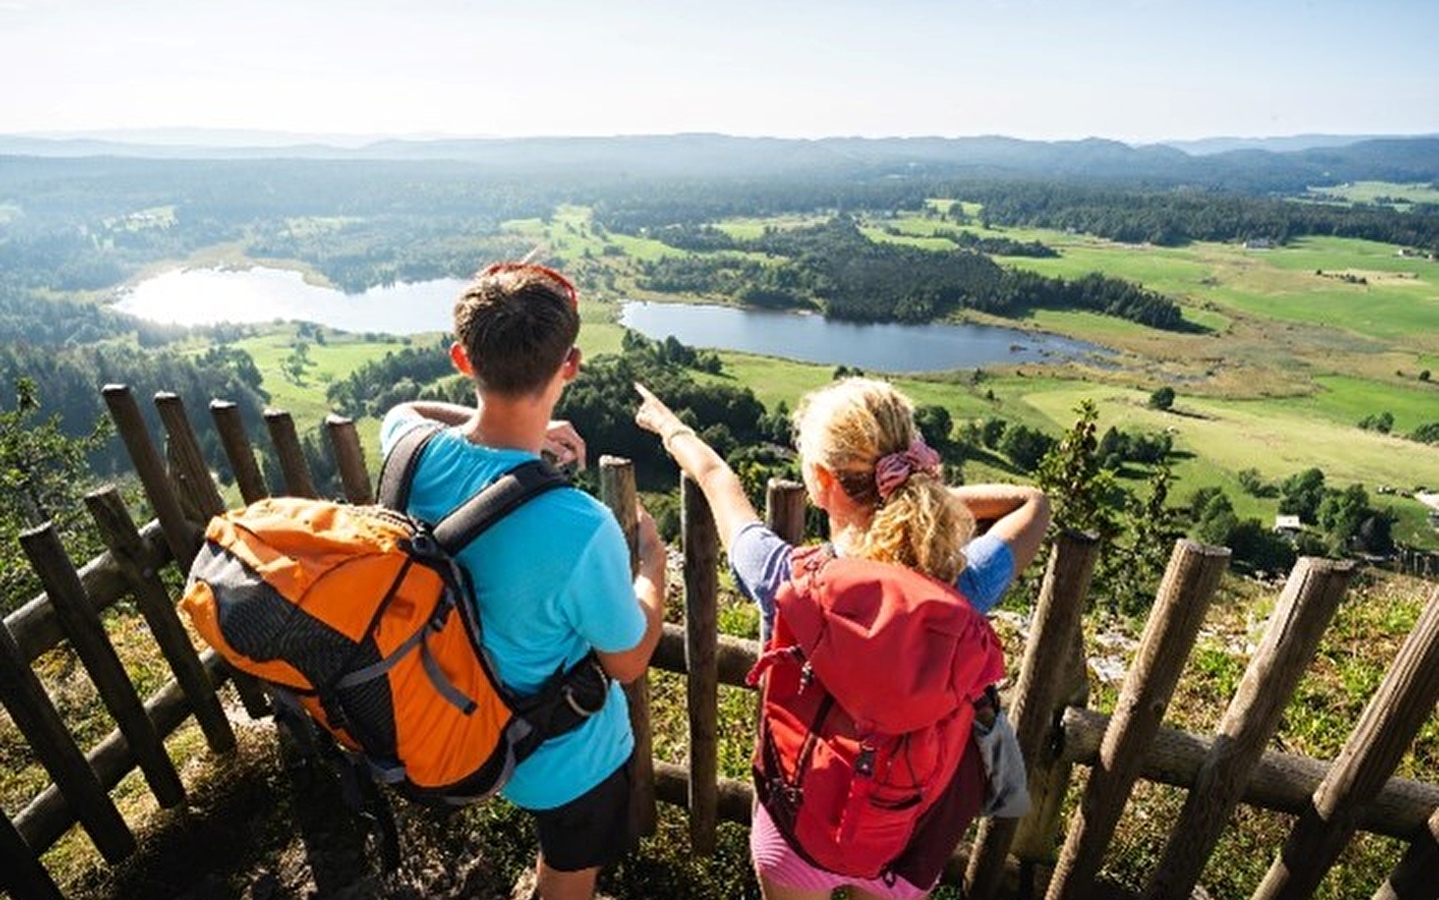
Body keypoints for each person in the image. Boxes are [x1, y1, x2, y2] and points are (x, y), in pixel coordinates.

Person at [634, 376, 1050, 900]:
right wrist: (920, 500)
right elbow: (1032, 504)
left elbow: (716, 476)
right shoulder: (959, 589)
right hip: (908, 837)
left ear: (820, 480)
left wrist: (670, 428)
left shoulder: (783, 574)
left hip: (794, 831)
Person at [381, 262, 666, 900]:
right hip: (556, 762)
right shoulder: (579, 525)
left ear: (461, 358)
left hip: (438, 714)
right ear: (570, 365)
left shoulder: (408, 447)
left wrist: (496, 416)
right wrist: (653, 568)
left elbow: (405, 409)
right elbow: (627, 661)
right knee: (568, 871)